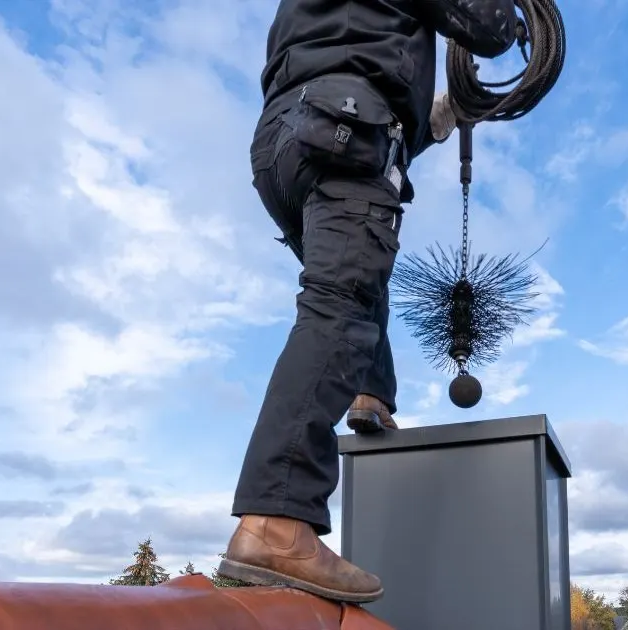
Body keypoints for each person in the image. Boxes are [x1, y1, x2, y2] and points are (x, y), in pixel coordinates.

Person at [218, 0, 518, 604]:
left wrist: (437, 117)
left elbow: (354, 65)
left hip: (288, 142)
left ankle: (370, 395)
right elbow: (488, 27)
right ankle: (277, 521)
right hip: (341, 128)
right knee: (342, 303)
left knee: (357, 280)